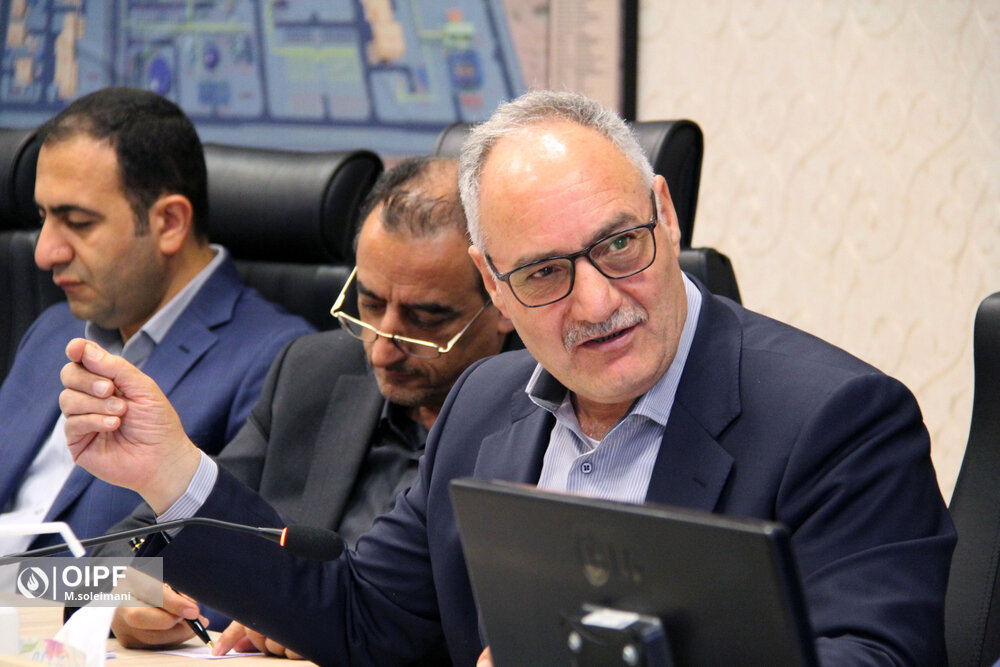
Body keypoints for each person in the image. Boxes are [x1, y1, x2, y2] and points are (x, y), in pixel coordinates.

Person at [59, 91, 955, 665]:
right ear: (493, 284)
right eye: (544, 273)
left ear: (666, 215)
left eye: (620, 244)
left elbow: (879, 658)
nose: (598, 301)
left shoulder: (837, 417)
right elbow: (362, 618)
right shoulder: (484, 402)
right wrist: (170, 473)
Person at [101, 156, 516, 653]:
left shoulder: (544, 422)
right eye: (369, 304)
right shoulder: (313, 372)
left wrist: (309, 625)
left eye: (425, 319)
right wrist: (116, 598)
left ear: (501, 300)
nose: (381, 350)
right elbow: (124, 541)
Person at [0, 87, 313, 561]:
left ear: (169, 222)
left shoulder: (280, 363)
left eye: (77, 222)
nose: (45, 253)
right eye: (43, 217)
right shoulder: (53, 329)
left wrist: (38, 587)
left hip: (75, 606)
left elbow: (243, 574)